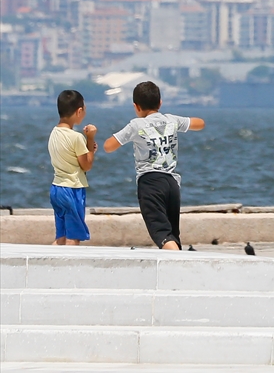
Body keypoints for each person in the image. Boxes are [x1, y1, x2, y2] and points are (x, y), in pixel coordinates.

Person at [103, 81, 205, 250]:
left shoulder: (136, 125)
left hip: (150, 183)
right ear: (160, 103)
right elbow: (199, 123)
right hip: (172, 184)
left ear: (136, 106)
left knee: (162, 234)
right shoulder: (171, 120)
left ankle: (180, 263)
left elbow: (109, 146)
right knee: (172, 234)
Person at [48, 90, 97, 245]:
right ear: (79, 111)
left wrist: (88, 146)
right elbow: (87, 165)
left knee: (61, 237)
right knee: (73, 237)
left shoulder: (54, 132)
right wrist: (90, 139)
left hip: (57, 188)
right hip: (72, 189)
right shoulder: (76, 137)